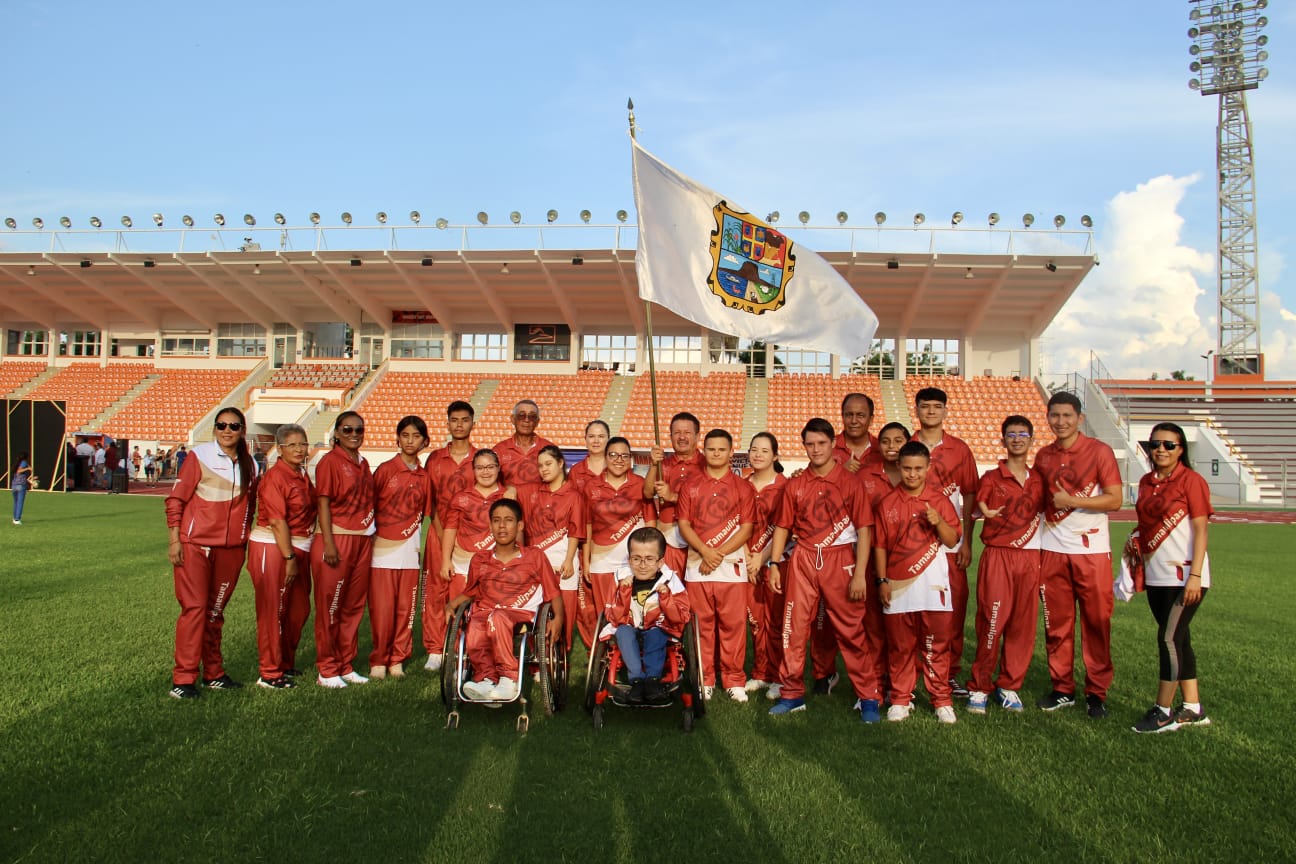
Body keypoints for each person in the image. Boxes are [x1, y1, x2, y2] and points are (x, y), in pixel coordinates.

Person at [767, 418, 879, 721]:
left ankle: (868, 697)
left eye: (821, 443)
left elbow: (865, 530)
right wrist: (774, 563)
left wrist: (859, 573)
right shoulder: (796, 484)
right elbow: (783, 526)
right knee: (793, 628)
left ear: (832, 444)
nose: (815, 449)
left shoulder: (850, 483)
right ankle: (792, 693)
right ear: (804, 446)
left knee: (851, 630)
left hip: (840, 559)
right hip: (804, 557)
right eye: (810, 444)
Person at [1034, 391, 1123, 718]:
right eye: (1055, 415)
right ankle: (1062, 688)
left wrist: (1071, 501)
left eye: (1067, 416)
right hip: (1052, 549)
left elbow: (1115, 500)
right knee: (1056, 625)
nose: (1060, 422)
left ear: (1079, 418)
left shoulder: (1099, 452)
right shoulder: (1043, 456)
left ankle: (1096, 693)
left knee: (1096, 623)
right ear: (1048, 418)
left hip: (1092, 551)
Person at [165, 407, 259, 699]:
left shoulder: (252, 465)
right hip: (195, 546)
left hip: (231, 550)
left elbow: (251, 508)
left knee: (215, 613)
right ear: (215, 428)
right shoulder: (200, 456)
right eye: (221, 425)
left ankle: (214, 674)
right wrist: (175, 539)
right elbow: (175, 500)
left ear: (242, 430)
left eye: (234, 426)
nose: (227, 431)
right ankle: (183, 679)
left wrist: (242, 538)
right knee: (195, 609)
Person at [1132, 422, 1213, 733]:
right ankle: (1193, 706)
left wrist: (1195, 575)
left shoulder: (1191, 481)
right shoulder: (1145, 482)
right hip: (1157, 574)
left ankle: (1163, 710)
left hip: (1186, 576)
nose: (1161, 450)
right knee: (1180, 638)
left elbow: (1201, 530)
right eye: (1155, 444)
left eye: (1169, 445)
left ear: (1181, 450)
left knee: (1167, 639)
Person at [874, 441, 963, 723]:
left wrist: (938, 522)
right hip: (898, 585)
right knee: (900, 646)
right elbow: (880, 546)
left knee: (936, 645)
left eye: (918, 469)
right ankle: (901, 698)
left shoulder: (939, 501)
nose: (912, 474)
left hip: (934, 585)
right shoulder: (887, 503)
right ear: (899, 467)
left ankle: (941, 700)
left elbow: (953, 539)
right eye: (907, 468)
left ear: (928, 468)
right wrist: (881, 580)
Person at [966, 416, 1046, 715]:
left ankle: (1009, 685)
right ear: (1003, 440)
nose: (1017, 439)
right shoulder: (991, 478)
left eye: (1023, 434)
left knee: (1022, 626)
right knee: (992, 621)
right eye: (1011, 434)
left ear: (1031, 440)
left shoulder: (1039, 479)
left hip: (1030, 557)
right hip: (999, 555)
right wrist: (983, 510)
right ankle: (979, 685)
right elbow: (977, 507)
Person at [447, 499, 563, 701]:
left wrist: (558, 618)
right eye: (496, 520)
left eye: (508, 520)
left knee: (497, 616)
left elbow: (553, 591)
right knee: (475, 622)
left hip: (520, 614)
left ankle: (509, 679)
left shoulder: (534, 556)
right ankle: (486, 678)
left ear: (520, 525)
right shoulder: (480, 559)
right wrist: (451, 605)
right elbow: (470, 591)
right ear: (490, 525)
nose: (502, 526)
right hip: (486, 612)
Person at [677, 428, 755, 702]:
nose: (716, 453)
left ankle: (734, 679)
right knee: (702, 626)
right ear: (704, 450)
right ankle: (705, 678)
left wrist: (717, 554)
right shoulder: (691, 485)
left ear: (731, 452)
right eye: (711, 449)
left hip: (731, 566)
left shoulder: (743, 487)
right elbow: (684, 524)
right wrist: (704, 551)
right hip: (697, 566)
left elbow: (747, 528)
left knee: (733, 625)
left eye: (722, 449)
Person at [911, 386, 979, 698]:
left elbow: (969, 495)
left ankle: (949, 673)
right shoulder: (907, 444)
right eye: (925, 406)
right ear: (917, 409)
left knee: (952, 609)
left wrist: (967, 543)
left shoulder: (959, 450)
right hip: (913, 544)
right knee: (912, 610)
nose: (931, 411)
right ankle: (911, 675)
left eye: (937, 406)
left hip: (950, 543)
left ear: (945, 411)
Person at [247, 423, 316, 689]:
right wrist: (289, 558)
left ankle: (285, 662)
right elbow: (277, 521)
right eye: (292, 445)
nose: (298, 449)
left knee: (298, 609)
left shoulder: (300, 474)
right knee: (273, 611)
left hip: (299, 546)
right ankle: (269, 672)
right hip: (274, 547)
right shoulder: (276, 477)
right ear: (280, 448)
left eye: (302, 444)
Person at [312, 411, 376, 689]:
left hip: (362, 540)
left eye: (358, 430)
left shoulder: (363, 462)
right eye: (347, 430)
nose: (354, 434)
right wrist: (329, 543)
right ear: (337, 433)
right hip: (337, 539)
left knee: (353, 606)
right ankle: (327, 669)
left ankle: (345, 665)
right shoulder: (329, 462)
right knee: (331, 607)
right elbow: (323, 503)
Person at [368, 415, 430, 680]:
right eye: (405, 435)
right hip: (382, 553)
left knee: (405, 610)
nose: (410, 441)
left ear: (425, 441)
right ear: (397, 439)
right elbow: (369, 508)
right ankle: (379, 660)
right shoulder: (385, 470)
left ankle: (397, 659)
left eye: (416, 436)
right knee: (382, 610)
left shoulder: (425, 476)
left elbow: (427, 514)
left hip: (410, 554)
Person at [421, 400, 478, 672]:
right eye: (454, 420)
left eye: (464, 420)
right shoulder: (435, 459)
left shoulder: (479, 459)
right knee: (435, 590)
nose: (459, 425)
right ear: (447, 423)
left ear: (472, 424)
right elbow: (430, 502)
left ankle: (461, 646)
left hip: (469, 538)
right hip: (439, 532)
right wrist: (443, 533)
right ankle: (435, 648)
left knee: (465, 591)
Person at [605, 527, 691, 705]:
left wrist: (666, 598)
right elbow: (614, 617)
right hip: (628, 625)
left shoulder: (670, 580)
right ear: (629, 559)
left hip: (659, 626)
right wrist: (624, 592)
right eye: (636, 559)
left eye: (649, 559)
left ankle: (652, 680)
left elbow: (681, 617)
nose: (642, 565)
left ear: (660, 562)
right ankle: (636, 680)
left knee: (656, 633)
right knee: (623, 632)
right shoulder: (620, 578)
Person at [440, 449, 517, 626]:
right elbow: (450, 529)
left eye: (490, 467)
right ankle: (460, 644)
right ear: (473, 470)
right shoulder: (461, 498)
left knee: (492, 616)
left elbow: (517, 532)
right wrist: (445, 561)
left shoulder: (507, 496)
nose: (485, 472)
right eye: (480, 468)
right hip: (462, 565)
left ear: (498, 468)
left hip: (496, 566)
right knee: (459, 617)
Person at [520, 445, 586, 652]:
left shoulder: (574, 496)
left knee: (564, 612)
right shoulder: (533, 493)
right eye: (540, 466)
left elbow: (575, 530)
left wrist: (569, 560)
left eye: (548, 464)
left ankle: (561, 656)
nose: (544, 469)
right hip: (537, 563)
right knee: (537, 610)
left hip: (564, 563)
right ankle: (536, 658)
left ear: (560, 463)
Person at [583, 436, 656, 621]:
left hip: (634, 562)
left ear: (630, 458)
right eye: (613, 455)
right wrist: (586, 561)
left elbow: (650, 523)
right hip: (602, 561)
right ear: (605, 457)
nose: (619, 460)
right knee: (606, 615)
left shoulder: (640, 484)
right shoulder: (591, 486)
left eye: (624, 456)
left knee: (636, 615)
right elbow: (587, 525)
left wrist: (652, 558)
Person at [743, 432, 788, 698]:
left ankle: (780, 676)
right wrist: (749, 558)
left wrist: (763, 557)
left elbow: (786, 527)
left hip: (776, 563)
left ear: (775, 455)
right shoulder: (742, 486)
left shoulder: (785, 487)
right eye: (754, 450)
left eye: (764, 450)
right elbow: (737, 525)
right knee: (756, 620)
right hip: (748, 564)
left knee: (777, 621)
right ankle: (761, 672)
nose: (758, 455)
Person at [644, 412, 705, 575]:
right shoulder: (663, 464)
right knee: (670, 588)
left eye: (687, 432)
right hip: (669, 540)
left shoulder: (706, 465)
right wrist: (653, 464)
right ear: (670, 436)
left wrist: (672, 496)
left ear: (698, 436)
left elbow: (707, 501)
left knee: (694, 589)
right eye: (677, 433)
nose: (682, 437)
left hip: (700, 539)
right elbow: (648, 493)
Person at [567, 419, 611, 647]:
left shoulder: (616, 467)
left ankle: (614, 646)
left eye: (601, 436)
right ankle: (592, 650)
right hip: (584, 541)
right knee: (585, 601)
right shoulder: (576, 472)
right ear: (585, 440)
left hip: (611, 542)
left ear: (608, 440)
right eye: (591, 436)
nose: (596, 440)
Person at [495, 399, 554, 488]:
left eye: (532, 416)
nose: (526, 420)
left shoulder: (550, 449)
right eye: (521, 415)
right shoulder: (499, 450)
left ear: (537, 422)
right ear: (513, 419)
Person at [833, 393, 883, 471]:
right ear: (842, 417)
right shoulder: (828, 447)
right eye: (849, 415)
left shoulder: (881, 449)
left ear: (871, 419)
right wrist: (840, 472)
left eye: (860, 415)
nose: (854, 421)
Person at [11, 452, 33, 525]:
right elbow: (19, 471)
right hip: (20, 485)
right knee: (20, 502)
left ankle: (14, 518)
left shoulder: (17, 463)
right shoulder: (24, 462)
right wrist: (28, 468)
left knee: (16, 502)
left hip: (14, 485)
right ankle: (17, 519)